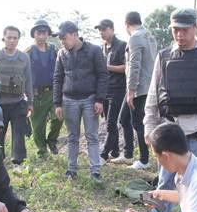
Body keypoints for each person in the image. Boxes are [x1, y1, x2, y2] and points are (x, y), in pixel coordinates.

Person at [144, 8, 197, 212]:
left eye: (185, 30)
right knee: (165, 180)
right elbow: (153, 95)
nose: (180, 35)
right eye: (175, 30)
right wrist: (149, 127)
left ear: (195, 28)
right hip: (170, 131)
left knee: (194, 183)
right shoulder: (163, 57)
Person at [53, 21, 108, 182]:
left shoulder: (94, 50)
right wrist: (57, 104)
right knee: (72, 136)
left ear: (75, 34)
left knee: (92, 136)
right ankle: (71, 170)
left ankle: (95, 171)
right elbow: (57, 78)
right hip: (69, 100)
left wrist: (100, 99)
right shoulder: (61, 53)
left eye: (64, 37)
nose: (62, 41)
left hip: (90, 99)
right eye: (60, 38)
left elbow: (103, 75)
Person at [110, 11, 157, 169]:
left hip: (139, 88)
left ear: (126, 24)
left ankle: (144, 160)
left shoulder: (135, 38)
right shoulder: (149, 36)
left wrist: (131, 91)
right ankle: (128, 155)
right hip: (147, 85)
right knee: (124, 119)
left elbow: (134, 65)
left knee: (138, 122)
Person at [0, 26, 33, 166]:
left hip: (18, 102)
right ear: (4, 38)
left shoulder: (24, 57)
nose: (12, 40)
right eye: (9, 37)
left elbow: (28, 80)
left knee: (19, 134)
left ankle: (17, 163)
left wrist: (30, 101)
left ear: (18, 40)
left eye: (15, 38)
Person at [25, 19, 63, 157]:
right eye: (38, 33)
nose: (41, 36)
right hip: (36, 94)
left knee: (58, 117)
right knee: (38, 126)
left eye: (44, 33)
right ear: (34, 34)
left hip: (54, 91)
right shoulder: (28, 52)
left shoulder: (54, 50)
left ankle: (52, 141)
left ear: (48, 34)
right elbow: (24, 73)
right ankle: (42, 151)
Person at [95, 19, 127, 164]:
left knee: (111, 123)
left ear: (112, 29)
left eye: (104, 29)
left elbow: (126, 67)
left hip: (118, 89)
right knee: (108, 121)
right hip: (104, 90)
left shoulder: (122, 46)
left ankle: (103, 154)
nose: (102, 32)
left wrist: (107, 67)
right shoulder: (101, 48)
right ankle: (114, 151)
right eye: (100, 30)